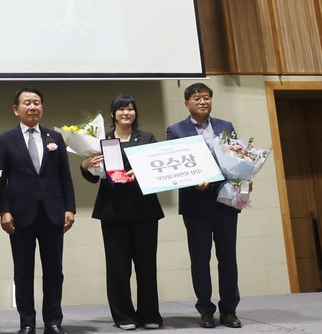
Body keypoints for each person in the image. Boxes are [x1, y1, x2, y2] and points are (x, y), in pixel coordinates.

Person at [0, 87, 76, 334]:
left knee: (54, 271)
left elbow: (65, 176)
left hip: (53, 212)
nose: (32, 107)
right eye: (27, 103)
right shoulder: (5, 140)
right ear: (16, 109)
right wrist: (4, 211)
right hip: (20, 215)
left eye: (37, 103)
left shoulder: (55, 138)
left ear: (42, 107)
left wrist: (70, 207)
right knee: (23, 272)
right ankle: (27, 322)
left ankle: (53, 321)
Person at [81, 95, 164, 330]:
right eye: (121, 109)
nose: (126, 113)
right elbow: (92, 175)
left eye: (130, 108)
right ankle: (123, 316)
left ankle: (149, 314)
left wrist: (141, 171)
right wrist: (85, 166)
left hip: (144, 209)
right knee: (118, 267)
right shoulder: (101, 140)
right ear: (112, 114)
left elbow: (157, 166)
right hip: (112, 210)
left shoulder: (146, 137)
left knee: (146, 265)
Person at [166, 82, 242, 329]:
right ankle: (206, 310)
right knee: (200, 259)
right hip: (195, 203)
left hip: (225, 200)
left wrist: (244, 176)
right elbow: (174, 167)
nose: (203, 102)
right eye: (197, 98)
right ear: (186, 103)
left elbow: (237, 157)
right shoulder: (176, 130)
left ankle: (229, 310)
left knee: (228, 258)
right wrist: (192, 183)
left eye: (207, 97)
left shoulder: (225, 126)